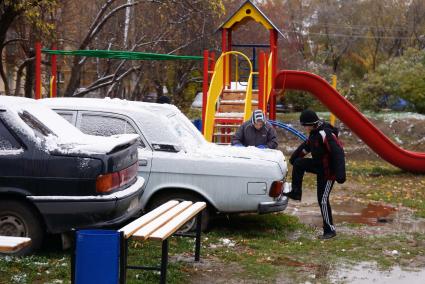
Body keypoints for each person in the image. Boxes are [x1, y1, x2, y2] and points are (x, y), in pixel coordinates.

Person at [285, 109, 346, 240]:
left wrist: (341, 174)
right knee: (299, 163)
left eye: (305, 125)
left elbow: (338, 152)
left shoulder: (325, 133)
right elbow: (306, 147)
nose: (304, 128)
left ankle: (330, 230)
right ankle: (296, 192)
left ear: (311, 124)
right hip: (319, 167)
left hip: (329, 171)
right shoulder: (314, 133)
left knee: (322, 200)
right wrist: (294, 158)